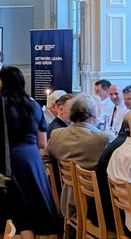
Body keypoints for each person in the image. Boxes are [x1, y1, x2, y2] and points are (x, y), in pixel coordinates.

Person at [0, 65, 60, 239]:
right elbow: (42, 142)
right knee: (27, 214)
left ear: (4, 83)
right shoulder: (33, 105)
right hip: (31, 163)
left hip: (5, 162)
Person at [43, 93, 108, 224]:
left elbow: (44, 159)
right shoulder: (102, 139)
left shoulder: (57, 134)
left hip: (66, 196)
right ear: (93, 116)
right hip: (92, 203)